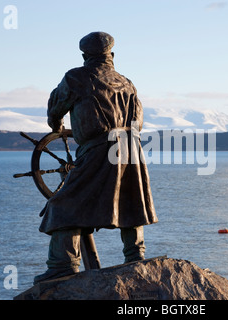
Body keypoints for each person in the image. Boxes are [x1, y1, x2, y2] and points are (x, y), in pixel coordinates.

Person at [34, 32, 158, 285]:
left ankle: (63, 266)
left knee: (63, 206)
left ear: (84, 56)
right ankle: (135, 257)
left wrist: (57, 124)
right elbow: (139, 121)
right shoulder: (127, 83)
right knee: (131, 202)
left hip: (99, 148)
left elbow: (56, 107)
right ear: (111, 55)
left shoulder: (76, 77)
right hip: (132, 148)